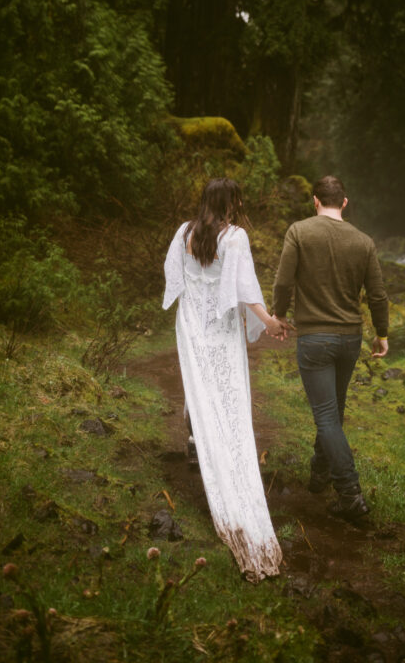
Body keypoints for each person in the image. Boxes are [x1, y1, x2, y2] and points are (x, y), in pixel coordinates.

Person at [162, 177, 290, 582]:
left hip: (190, 324)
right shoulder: (235, 238)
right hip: (219, 327)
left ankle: (197, 440)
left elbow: (175, 275)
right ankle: (214, 448)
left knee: (199, 387)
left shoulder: (184, 232)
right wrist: (268, 321)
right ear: (230, 202)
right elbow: (243, 287)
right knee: (226, 393)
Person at [271, 175, 389, 522]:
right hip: (350, 339)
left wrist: (278, 314)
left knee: (326, 416)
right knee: (333, 412)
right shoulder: (363, 241)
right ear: (345, 202)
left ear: (315, 201)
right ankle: (320, 472)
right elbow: (378, 294)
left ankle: (349, 493)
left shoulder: (299, 232)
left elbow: (282, 281)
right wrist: (381, 333)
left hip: (315, 340)